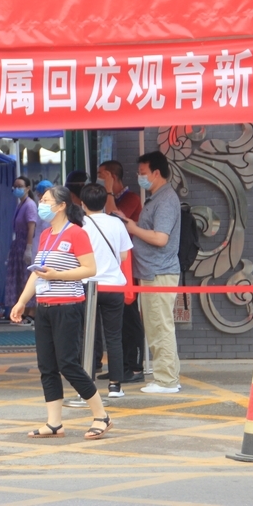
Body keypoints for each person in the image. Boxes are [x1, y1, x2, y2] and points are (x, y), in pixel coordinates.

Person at [10, 186, 112, 440]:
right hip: (44, 307)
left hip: (67, 306)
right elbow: (37, 272)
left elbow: (89, 269)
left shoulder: (76, 233)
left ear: (62, 205)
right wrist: (22, 301)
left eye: (46, 201)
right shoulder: (46, 234)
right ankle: (54, 422)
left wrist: (58, 275)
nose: (42, 205)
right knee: (47, 366)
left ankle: (101, 416)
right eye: (41, 200)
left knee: (68, 363)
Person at [115, 151, 182, 394]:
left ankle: (166, 381)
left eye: (142, 173)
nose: (139, 176)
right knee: (157, 326)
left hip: (158, 272)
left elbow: (161, 238)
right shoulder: (158, 198)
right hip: (152, 272)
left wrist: (132, 227)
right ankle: (168, 376)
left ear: (156, 173)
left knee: (159, 327)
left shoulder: (165, 201)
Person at [80, 183, 133, 398]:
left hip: (87, 286)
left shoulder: (79, 225)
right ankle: (115, 386)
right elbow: (124, 256)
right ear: (104, 202)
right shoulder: (116, 223)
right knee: (114, 336)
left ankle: (87, 384)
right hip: (113, 286)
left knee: (87, 336)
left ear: (82, 204)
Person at [98, 159, 145, 383]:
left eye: (102, 174)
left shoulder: (131, 199)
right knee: (117, 321)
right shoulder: (113, 199)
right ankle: (121, 365)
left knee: (130, 318)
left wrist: (107, 190)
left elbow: (112, 219)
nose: (98, 178)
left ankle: (135, 366)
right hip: (113, 267)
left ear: (112, 176)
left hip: (128, 266)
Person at [4, 175, 38, 325]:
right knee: (18, 279)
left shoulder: (30, 205)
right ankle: (21, 313)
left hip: (25, 244)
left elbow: (31, 227)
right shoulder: (20, 204)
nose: (16, 189)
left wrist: (28, 248)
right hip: (17, 245)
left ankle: (31, 313)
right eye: (15, 186)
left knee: (26, 279)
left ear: (28, 188)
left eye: (20, 186)